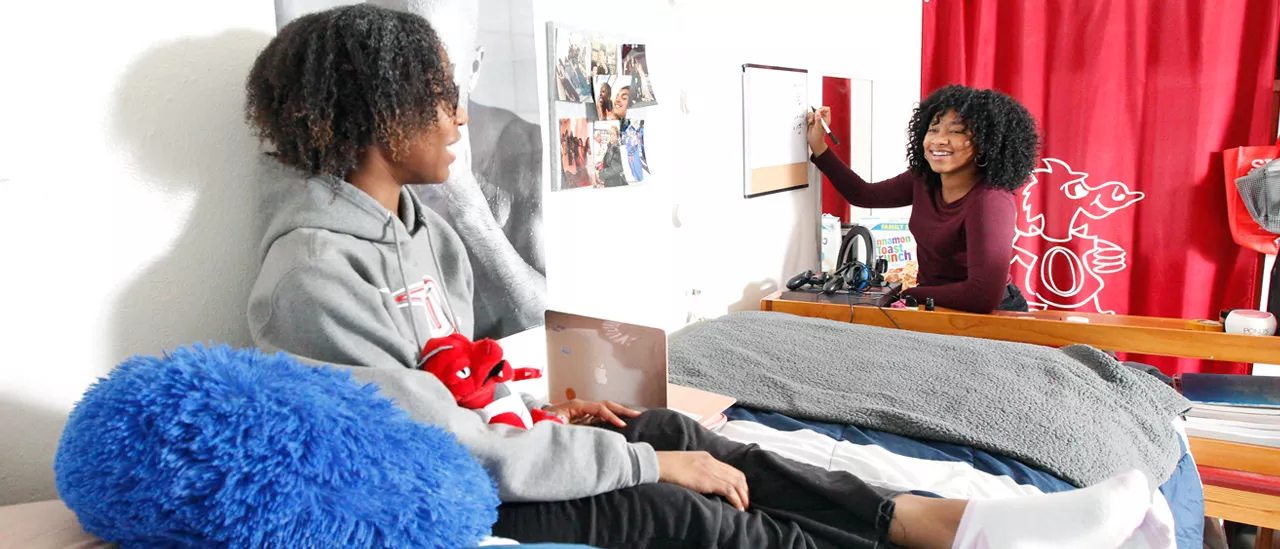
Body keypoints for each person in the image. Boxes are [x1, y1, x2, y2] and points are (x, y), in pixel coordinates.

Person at [245, 6, 1159, 548]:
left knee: (676, 421)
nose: (459, 117)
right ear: (371, 111)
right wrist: (643, 460)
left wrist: (576, 414)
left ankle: (944, 524)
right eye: (437, 95)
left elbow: (480, 360)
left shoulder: (420, 232)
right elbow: (441, 443)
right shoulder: (314, 273)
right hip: (445, 490)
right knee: (685, 502)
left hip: (491, 446)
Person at [808, 85, 1039, 314]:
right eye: (934, 129)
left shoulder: (991, 201)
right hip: (936, 303)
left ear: (987, 143)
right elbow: (862, 194)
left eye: (956, 132)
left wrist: (907, 294)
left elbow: (983, 296)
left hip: (990, 313)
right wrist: (818, 146)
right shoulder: (924, 180)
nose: (939, 140)